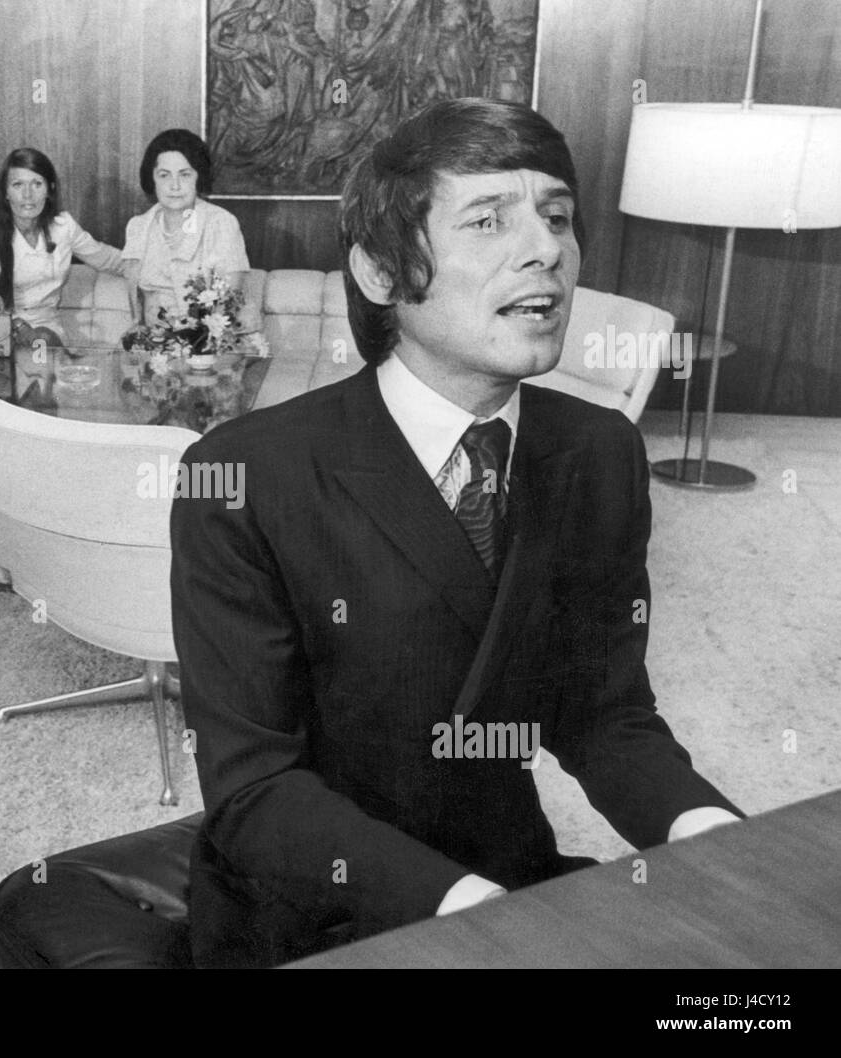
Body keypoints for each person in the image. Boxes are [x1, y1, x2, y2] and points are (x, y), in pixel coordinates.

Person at [169, 98, 743, 969]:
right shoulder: (242, 477)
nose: (545, 247)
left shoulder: (599, 451)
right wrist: (472, 914)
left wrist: (710, 834)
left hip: (505, 871)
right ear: (379, 273)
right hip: (308, 914)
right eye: (488, 220)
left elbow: (602, 713)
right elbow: (257, 791)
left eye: (556, 216)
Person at [0, 148, 122, 343]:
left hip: (47, 333)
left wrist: (144, 265)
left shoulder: (63, 227)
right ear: (6, 193)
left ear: (49, 189)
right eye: (18, 185)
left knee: (40, 348)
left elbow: (107, 259)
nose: (28, 195)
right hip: (0, 332)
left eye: (37, 184)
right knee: (32, 352)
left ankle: (41, 369)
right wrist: (19, 327)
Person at [121, 129, 250, 326]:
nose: (174, 186)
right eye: (164, 175)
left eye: (185, 175)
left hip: (209, 343)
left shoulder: (221, 223)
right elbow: (137, 305)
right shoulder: (137, 226)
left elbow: (227, 305)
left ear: (199, 177)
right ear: (152, 179)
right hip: (153, 344)